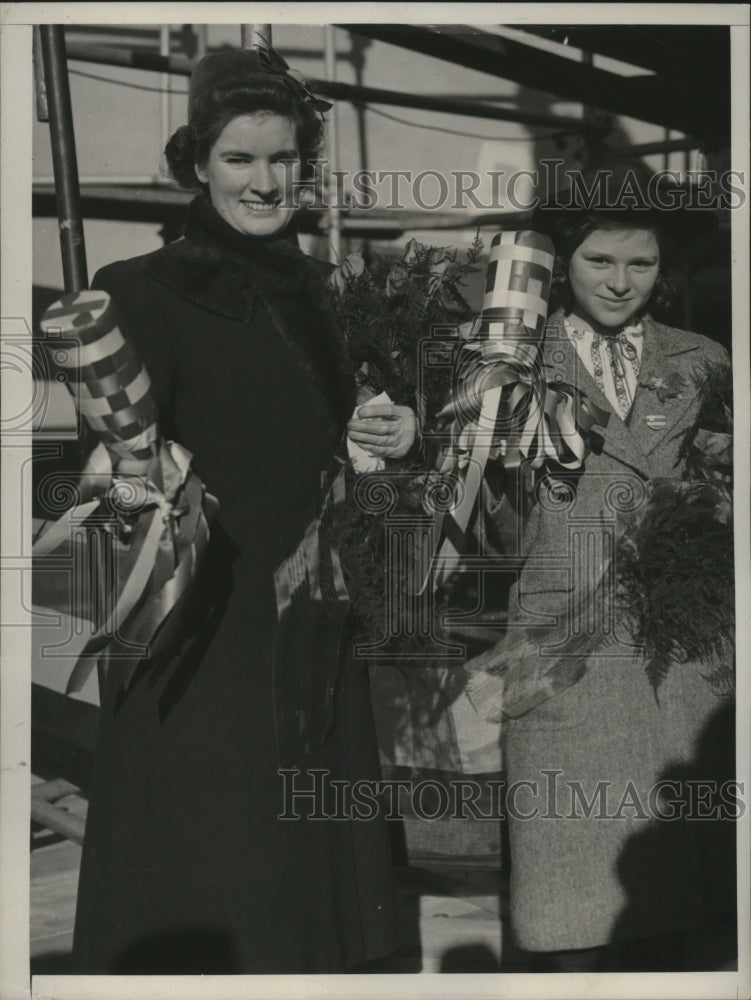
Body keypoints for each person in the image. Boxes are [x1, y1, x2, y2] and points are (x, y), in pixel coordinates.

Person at [71, 46, 412, 974]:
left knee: (305, 878)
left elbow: (359, 438)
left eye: (283, 160)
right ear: (197, 165)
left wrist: (395, 434)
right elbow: (110, 466)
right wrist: (136, 478)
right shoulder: (143, 288)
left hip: (312, 611)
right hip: (202, 622)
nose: (266, 183)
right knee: (217, 860)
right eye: (239, 160)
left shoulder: (331, 292)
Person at [474, 162, 735, 972]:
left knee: (683, 920)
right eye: (599, 261)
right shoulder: (510, 363)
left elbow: (727, 498)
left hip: (682, 665)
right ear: (561, 262)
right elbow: (487, 538)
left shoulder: (701, 359)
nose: (621, 283)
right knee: (569, 924)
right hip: (565, 661)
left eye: (641, 263)